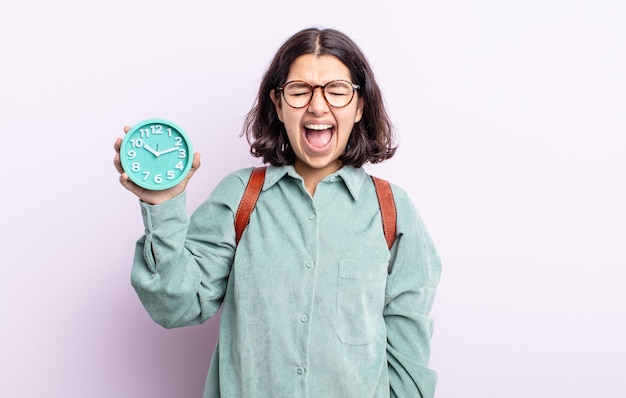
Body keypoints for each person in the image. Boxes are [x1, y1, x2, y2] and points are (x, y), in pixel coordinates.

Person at [113, 27, 442, 398]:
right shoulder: (240, 197)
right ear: (278, 103)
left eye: (336, 91)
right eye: (300, 91)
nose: (318, 106)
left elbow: (408, 355)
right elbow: (176, 306)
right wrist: (164, 204)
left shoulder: (393, 212)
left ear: (359, 104)